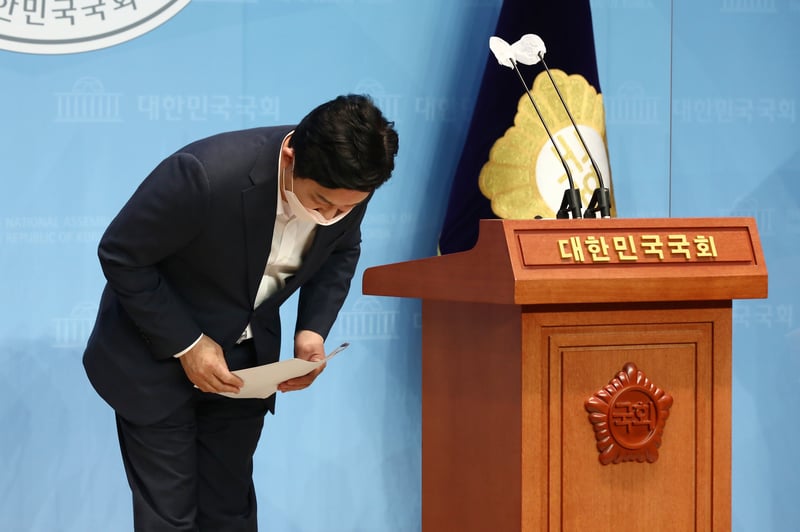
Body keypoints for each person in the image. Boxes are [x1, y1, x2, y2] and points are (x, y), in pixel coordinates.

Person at [83, 94, 399, 531]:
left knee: (229, 513)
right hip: (154, 361)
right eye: (320, 202)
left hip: (245, 370)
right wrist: (188, 344)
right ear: (290, 157)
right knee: (169, 519)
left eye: (345, 209)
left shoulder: (349, 183)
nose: (329, 217)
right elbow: (122, 254)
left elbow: (341, 250)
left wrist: (312, 331)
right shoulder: (204, 174)